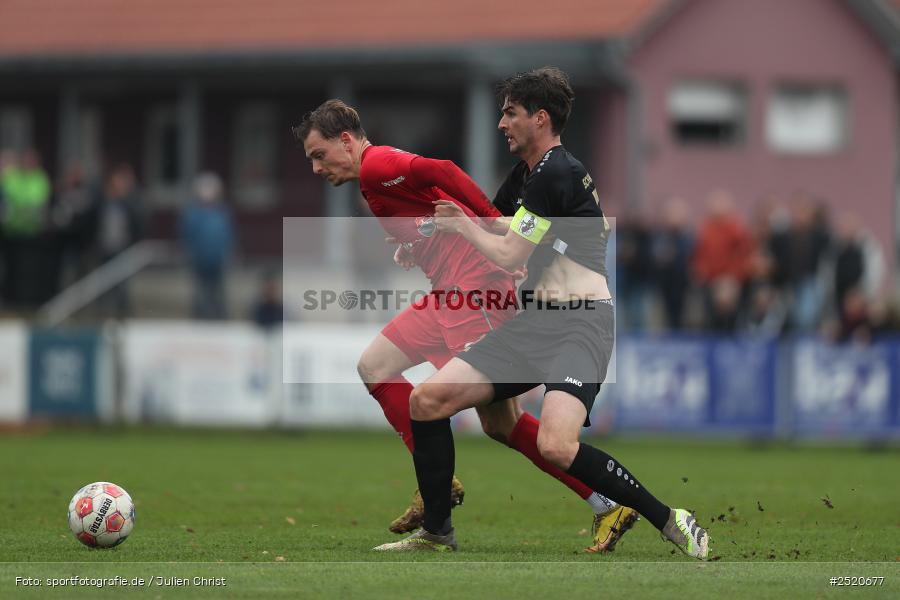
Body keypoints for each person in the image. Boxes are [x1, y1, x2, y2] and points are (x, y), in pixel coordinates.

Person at [373, 67, 709, 559]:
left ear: (540, 117)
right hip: (533, 325)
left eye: (510, 113)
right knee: (427, 402)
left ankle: (669, 518)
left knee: (555, 444)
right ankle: (438, 533)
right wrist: (425, 240)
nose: (502, 123)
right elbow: (493, 220)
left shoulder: (558, 172)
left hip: (581, 323)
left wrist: (461, 227)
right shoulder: (531, 175)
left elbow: (508, 253)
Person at [293, 99, 637, 553]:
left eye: (320, 156)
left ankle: (601, 499)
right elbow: (434, 207)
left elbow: (446, 172)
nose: (317, 168)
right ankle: (435, 480)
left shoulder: (378, 165)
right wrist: (417, 244)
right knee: (375, 366)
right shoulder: (376, 177)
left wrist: (492, 223)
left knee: (503, 425)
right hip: (448, 292)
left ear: (346, 141)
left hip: (473, 292)